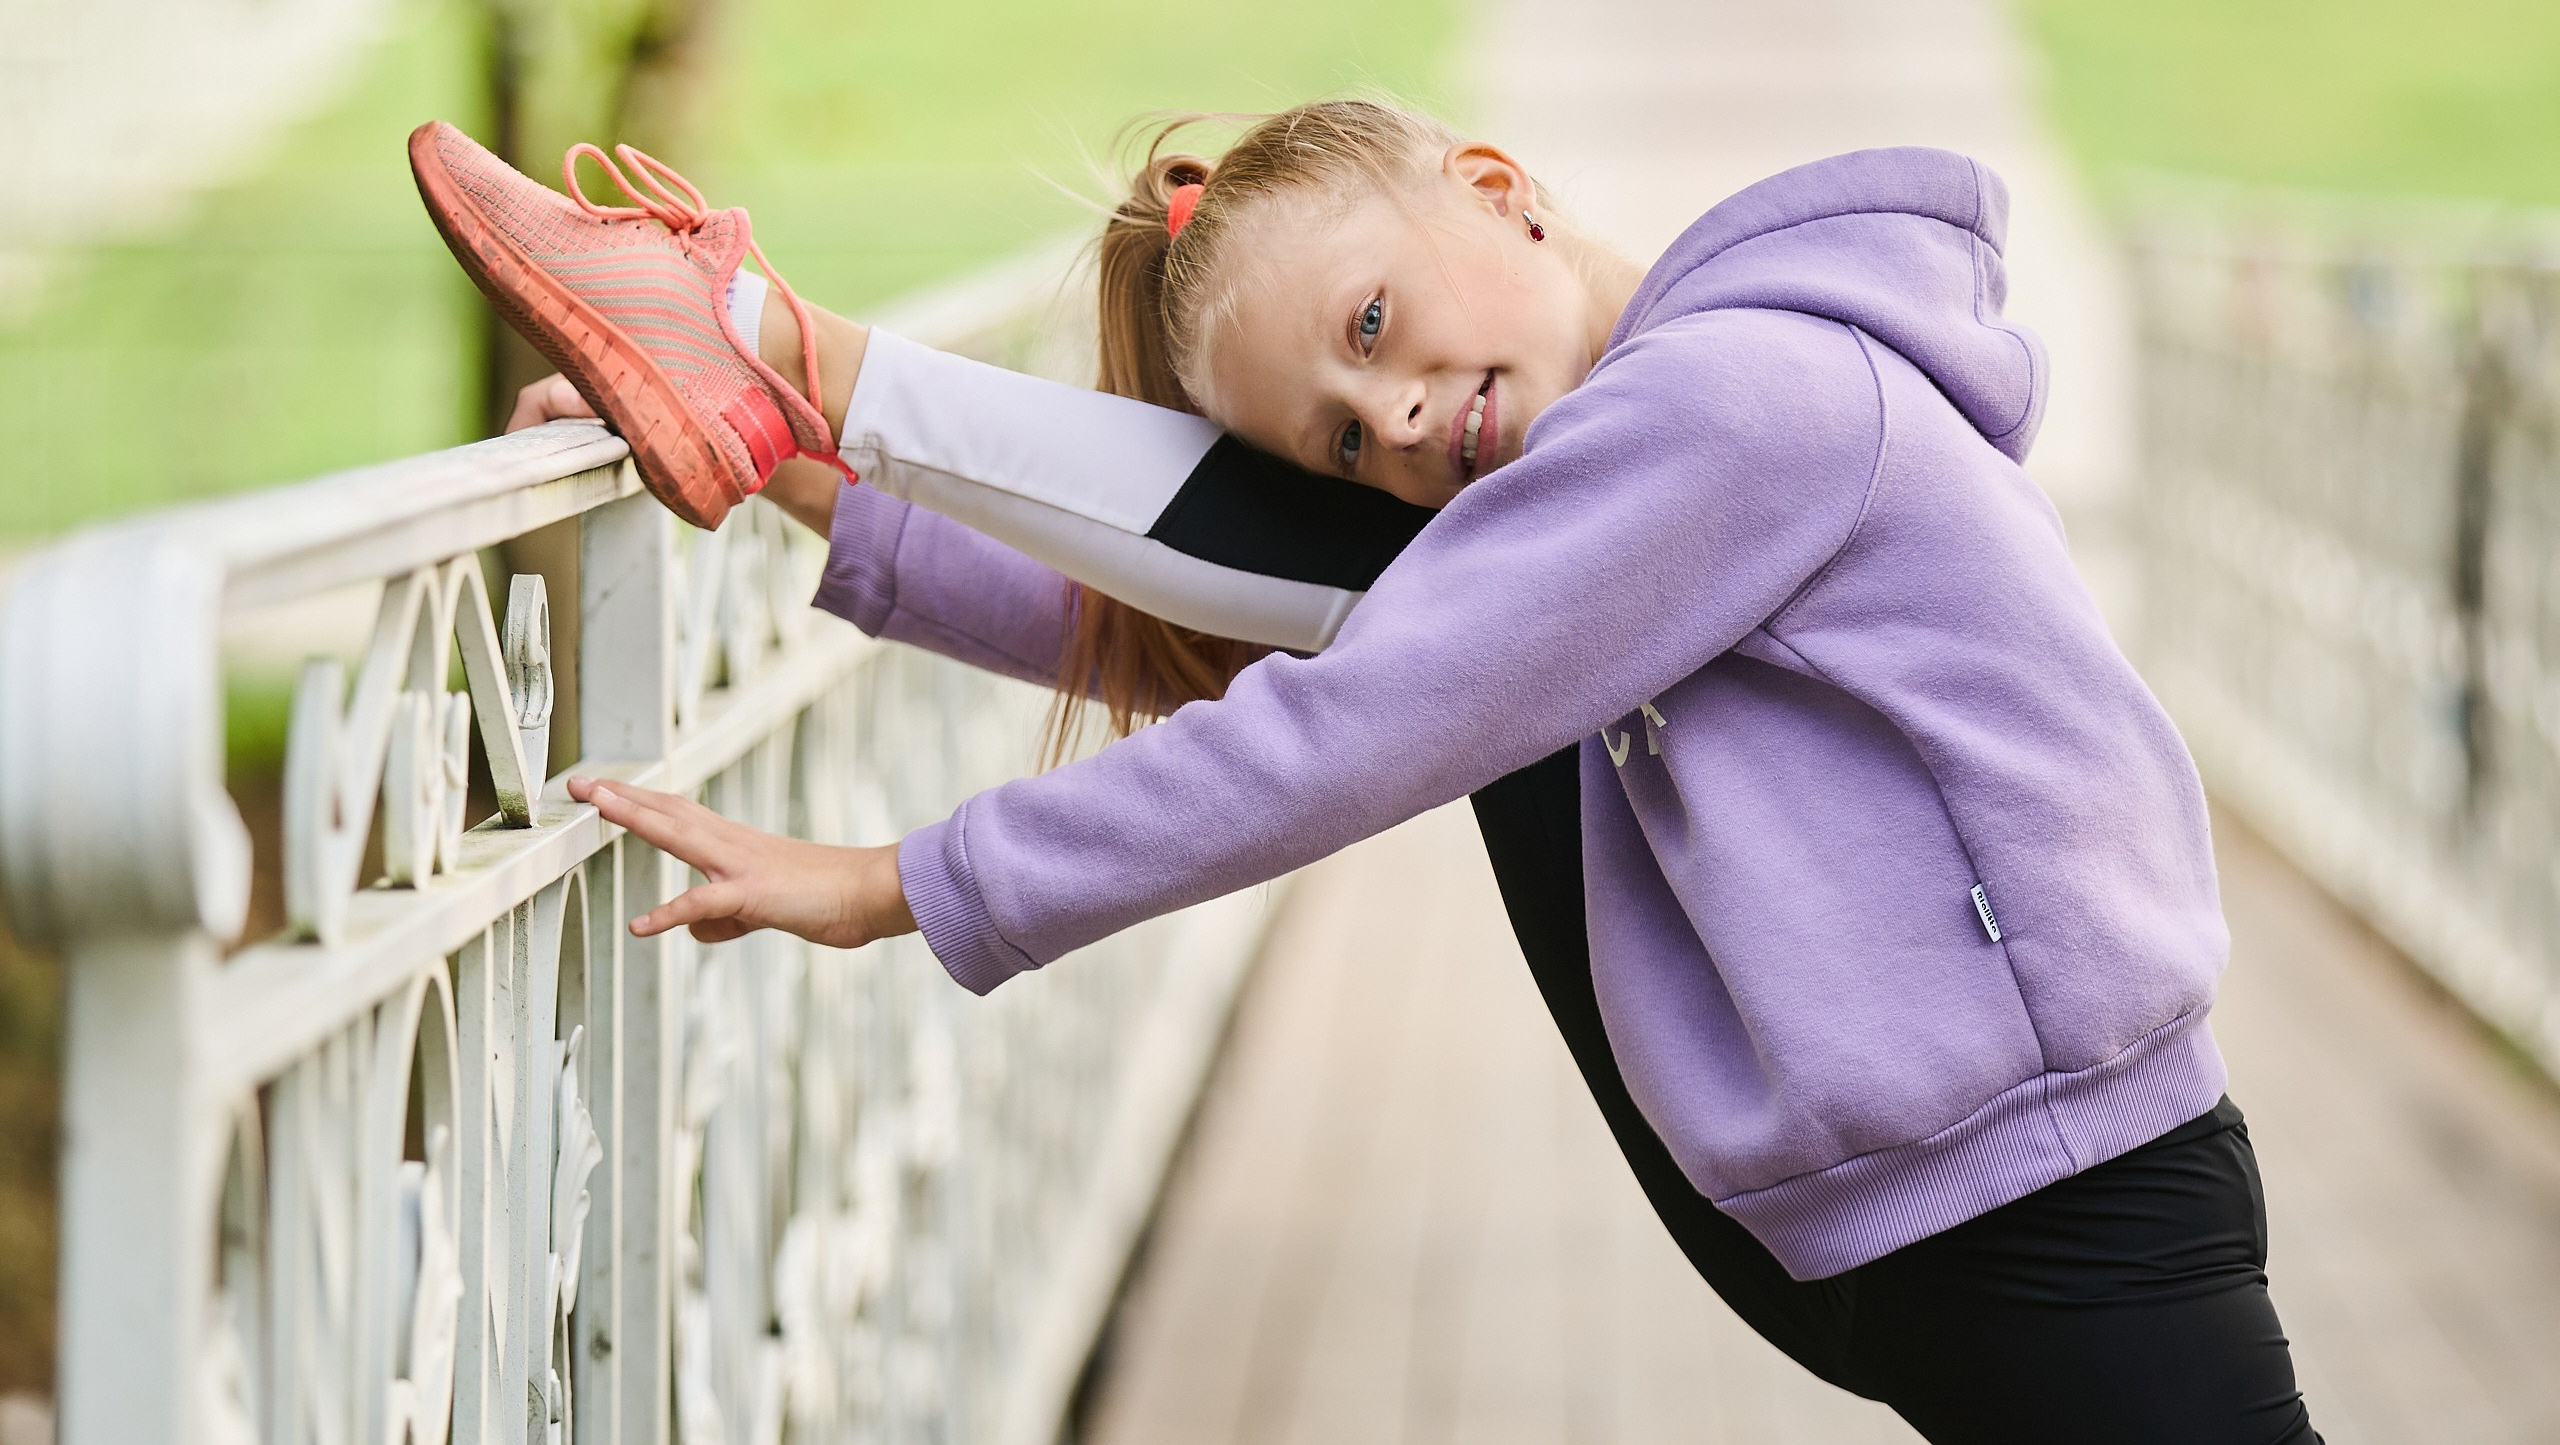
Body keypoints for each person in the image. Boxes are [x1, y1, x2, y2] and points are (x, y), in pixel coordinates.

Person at [411, 103, 2323, 1444]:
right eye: (1346, 431)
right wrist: (814, 499)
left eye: (1376, 331)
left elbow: (1345, 722)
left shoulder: (1744, 404)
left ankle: (768, 340)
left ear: (1500, 190)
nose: (1398, 418)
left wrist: (908, 878)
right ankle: (773, 375)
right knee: (1392, 595)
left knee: (1406, 629)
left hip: (2061, 1190)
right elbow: (1228, 630)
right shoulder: (1576, 476)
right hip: (1891, 1211)